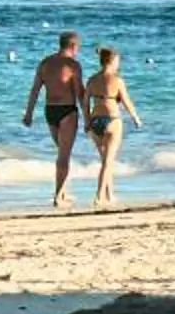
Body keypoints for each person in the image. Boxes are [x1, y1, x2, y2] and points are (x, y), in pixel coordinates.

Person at [23, 31, 88, 206]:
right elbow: (79, 93)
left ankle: (64, 192)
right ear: (74, 47)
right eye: (78, 48)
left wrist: (28, 113)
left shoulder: (45, 63)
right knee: (64, 156)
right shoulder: (73, 65)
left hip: (49, 111)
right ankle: (58, 196)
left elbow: (35, 90)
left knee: (62, 154)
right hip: (67, 111)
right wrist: (88, 117)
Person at [85, 45, 144, 205]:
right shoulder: (117, 81)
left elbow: (85, 103)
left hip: (95, 121)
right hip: (112, 120)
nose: (119, 63)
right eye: (117, 60)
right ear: (112, 61)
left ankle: (110, 195)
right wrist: (136, 118)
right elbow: (126, 102)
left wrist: (86, 122)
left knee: (105, 161)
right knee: (108, 161)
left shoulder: (91, 80)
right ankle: (99, 196)